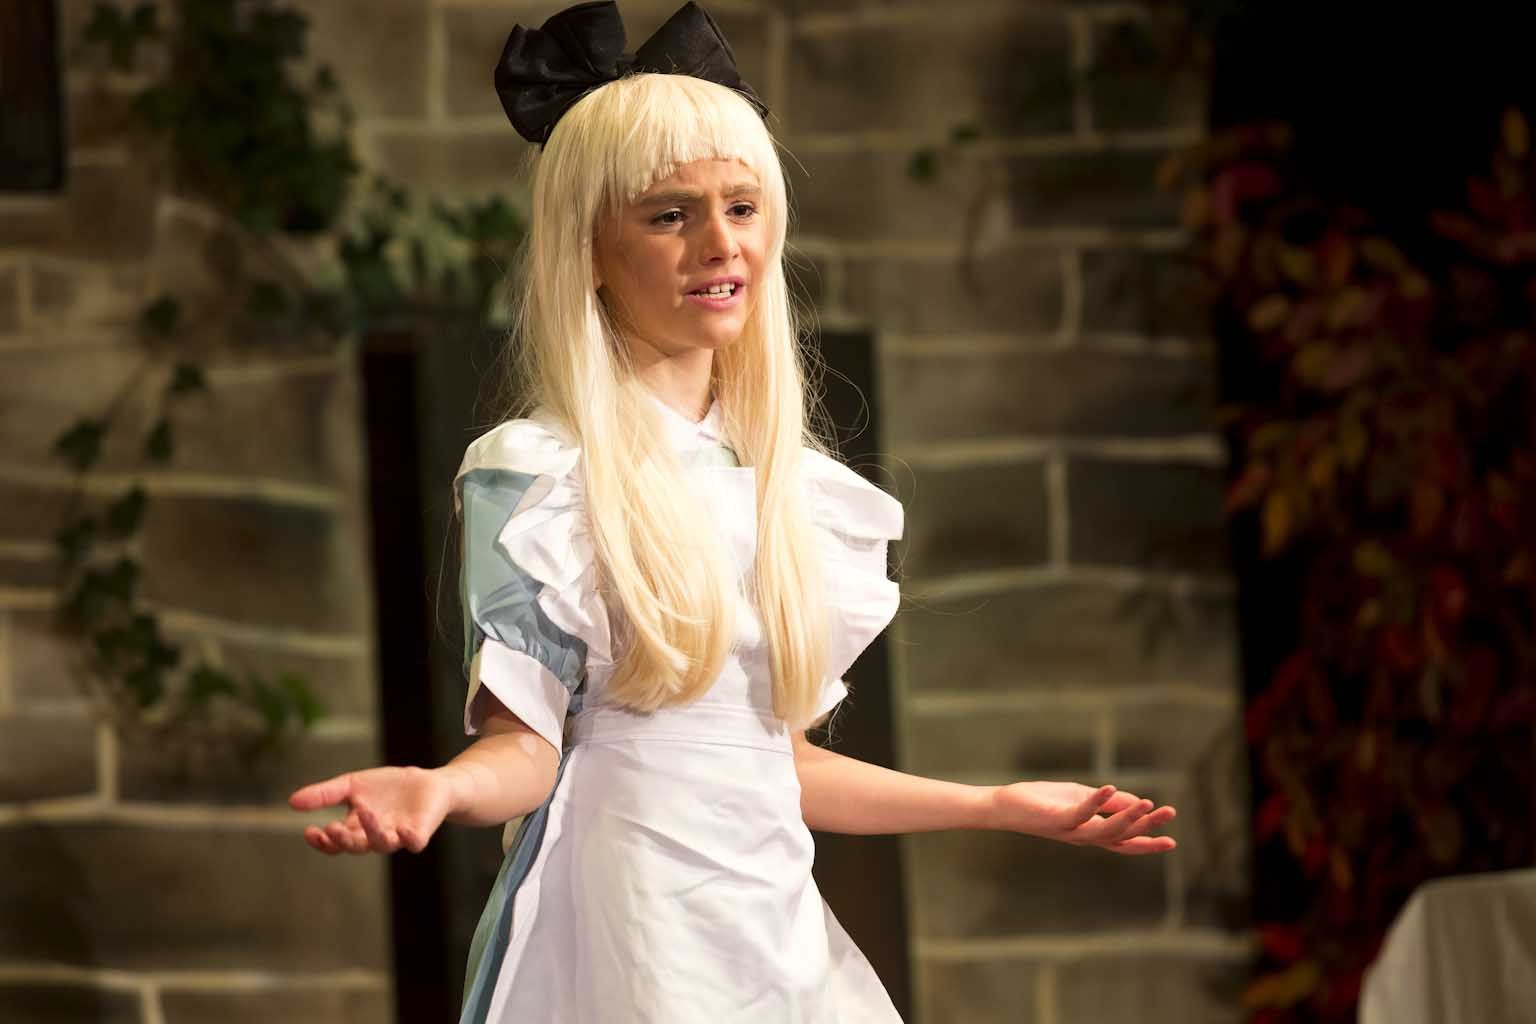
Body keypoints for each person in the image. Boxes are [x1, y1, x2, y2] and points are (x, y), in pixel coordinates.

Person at [288, 3, 1179, 1021]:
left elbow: (776, 763)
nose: (721, 244)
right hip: (629, 922)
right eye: (670, 215)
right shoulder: (540, 472)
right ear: (589, 249)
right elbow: (526, 750)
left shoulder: (790, 483)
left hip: (773, 929)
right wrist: (442, 788)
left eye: (743, 207)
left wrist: (995, 806)